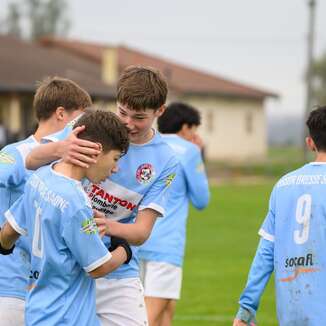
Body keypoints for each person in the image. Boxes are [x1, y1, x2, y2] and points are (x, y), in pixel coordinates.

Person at [25, 65, 179, 326]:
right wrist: (63, 148)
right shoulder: (91, 126)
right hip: (70, 267)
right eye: (122, 112)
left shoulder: (165, 161)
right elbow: (30, 161)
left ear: (159, 111)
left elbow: (141, 232)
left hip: (117, 269)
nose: (128, 123)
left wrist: (106, 226)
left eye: (139, 117)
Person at [0, 109, 132, 326]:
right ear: (96, 151)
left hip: (37, 312)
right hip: (69, 318)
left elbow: (7, 233)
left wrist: (5, 245)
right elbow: (98, 267)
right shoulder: (76, 202)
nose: (115, 169)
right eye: (115, 158)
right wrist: (123, 249)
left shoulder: (40, 177)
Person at [0, 76, 91, 326]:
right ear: (61, 114)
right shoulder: (16, 153)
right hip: (11, 289)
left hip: (46, 292)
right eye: (80, 117)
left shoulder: (69, 164)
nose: (83, 125)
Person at [233, 105, 326, 326]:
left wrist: (246, 309)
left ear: (310, 142)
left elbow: (265, 252)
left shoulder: (283, 185)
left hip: (292, 311)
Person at [138, 102, 210, 326]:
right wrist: (199, 155)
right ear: (186, 127)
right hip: (166, 244)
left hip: (137, 238)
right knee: (149, 314)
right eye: (194, 129)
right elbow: (201, 200)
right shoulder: (189, 151)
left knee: (166, 309)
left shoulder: (148, 144)